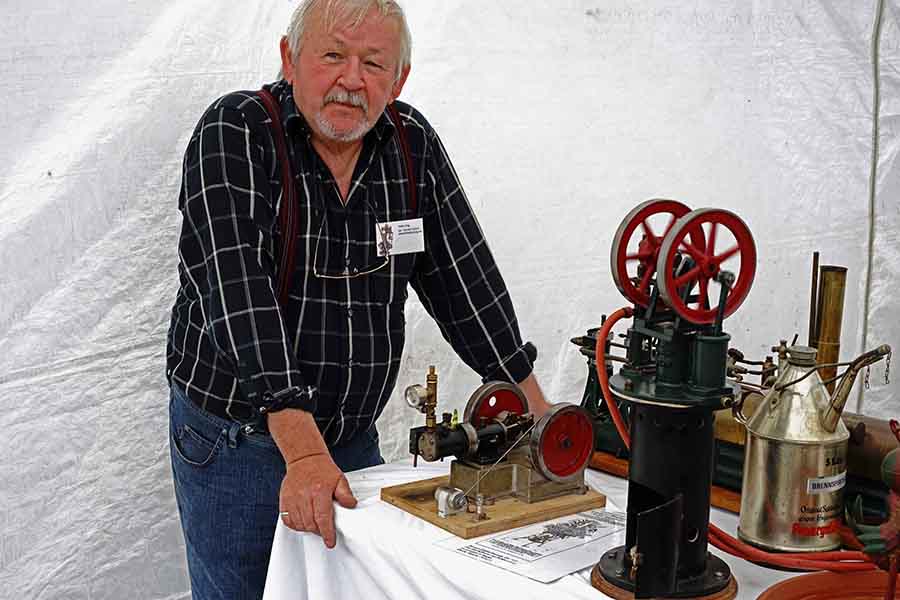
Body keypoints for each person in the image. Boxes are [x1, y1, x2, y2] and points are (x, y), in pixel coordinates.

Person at [165, 0, 550, 597]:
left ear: (399, 79)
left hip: (350, 440)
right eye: (333, 55)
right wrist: (303, 455)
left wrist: (537, 412)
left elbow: (466, 281)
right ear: (290, 58)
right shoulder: (236, 131)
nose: (351, 79)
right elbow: (238, 297)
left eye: (373, 63)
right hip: (239, 441)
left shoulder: (412, 145)